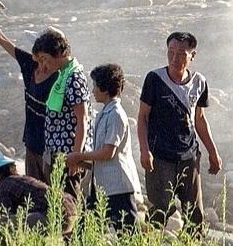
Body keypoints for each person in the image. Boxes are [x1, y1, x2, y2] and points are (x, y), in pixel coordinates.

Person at [0, 8, 89, 190]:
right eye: (39, 58)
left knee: (62, 197)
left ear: (57, 54)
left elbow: (82, 119)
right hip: (34, 144)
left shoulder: (63, 77)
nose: (42, 64)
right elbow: (2, 39)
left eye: (44, 58)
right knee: (37, 195)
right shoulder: (30, 64)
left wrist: (76, 153)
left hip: (57, 151)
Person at [137, 31, 223, 235]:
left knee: (194, 213)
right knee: (160, 208)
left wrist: (213, 152)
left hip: (189, 156)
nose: (175, 58)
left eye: (182, 54)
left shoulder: (199, 82)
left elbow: (199, 119)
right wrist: (144, 150)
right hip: (160, 156)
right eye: (171, 52)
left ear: (193, 55)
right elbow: (142, 117)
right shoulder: (155, 79)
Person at [65, 64, 141, 232]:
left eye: (95, 86)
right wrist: (81, 161)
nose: (93, 91)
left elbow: (108, 152)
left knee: (128, 234)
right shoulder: (106, 112)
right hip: (102, 185)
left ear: (105, 89)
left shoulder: (115, 114)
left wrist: (78, 156)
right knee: (85, 231)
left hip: (117, 187)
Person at [0, 147, 76, 241]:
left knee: (4, 224)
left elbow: (7, 218)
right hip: (71, 214)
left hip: (52, 218)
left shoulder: (1, 188)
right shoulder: (21, 179)